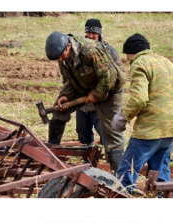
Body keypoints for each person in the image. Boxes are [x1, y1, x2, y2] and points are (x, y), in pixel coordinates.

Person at [112, 34, 173, 193]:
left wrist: (123, 117)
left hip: (149, 129)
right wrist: (166, 106)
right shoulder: (166, 62)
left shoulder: (140, 63)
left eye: (127, 54)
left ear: (131, 52)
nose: (127, 59)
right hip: (169, 128)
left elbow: (139, 99)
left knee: (126, 174)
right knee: (161, 176)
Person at [45, 30, 127, 173]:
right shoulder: (62, 58)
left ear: (68, 47)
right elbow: (69, 80)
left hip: (110, 87)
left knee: (111, 129)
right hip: (85, 84)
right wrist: (66, 95)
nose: (59, 60)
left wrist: (96, 94)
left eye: (60, 56)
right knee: (58, 111)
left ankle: (120, 174)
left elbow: (109, 76)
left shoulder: (90, 50)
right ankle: (51, 156)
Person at [76, 19, 123, 149]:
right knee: (82, 131)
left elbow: (118, 75)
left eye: (94, 33)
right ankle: (88, 156)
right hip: (83, 102)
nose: (91, 36)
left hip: (102, 101)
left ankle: (110, 158)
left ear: (99, 34)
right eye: (88, 32)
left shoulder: (109, 51)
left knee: (105, 132)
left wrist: (100, 92)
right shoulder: (80, 50)